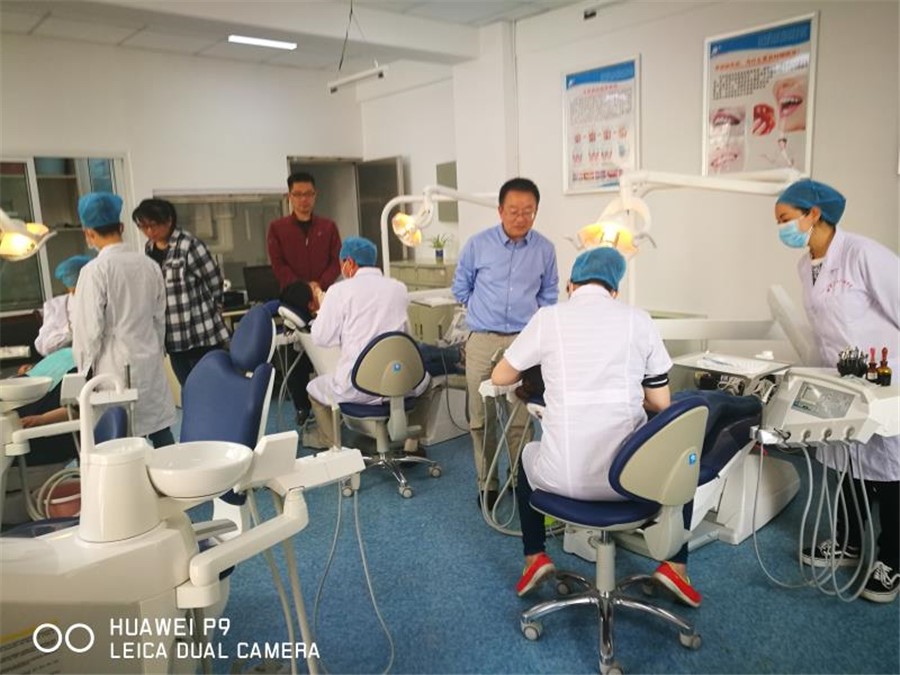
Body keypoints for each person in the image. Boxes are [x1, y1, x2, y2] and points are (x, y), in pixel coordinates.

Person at [491, 247, 701, 606]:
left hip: (563, 480)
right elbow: (661, 403)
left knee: (528, 453)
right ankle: (675, 567)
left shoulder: (548, 318)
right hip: (630, 483)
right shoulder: (639, 320)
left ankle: (535, 557)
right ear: (614, 290)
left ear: (571, 286)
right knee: (682, 461)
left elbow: (500, 376)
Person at [774, 178, 899, 603]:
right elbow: (822, 330)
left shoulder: (863, 254)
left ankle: (893, 560)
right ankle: (849, 544)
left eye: (785, 219)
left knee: (891, 470)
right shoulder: (805, 265)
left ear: (813, 214)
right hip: (837, 378)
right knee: (844, 461)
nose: (781, 229)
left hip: (886, 379)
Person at [452, 177, 559, 510]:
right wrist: (484, 312)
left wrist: (533, 329)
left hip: (524, 342)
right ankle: (487, 483)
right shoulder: (478, 245)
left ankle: (519, 478)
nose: (521, 217)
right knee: (480, 417)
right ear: (500, 210)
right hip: (482, 339)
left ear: (536, 211)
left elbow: (549, 295)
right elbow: (461, 288)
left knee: (520, 416)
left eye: (528, 211)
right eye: (514, 210)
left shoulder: (544, 249)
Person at [71, 192, 176, 448]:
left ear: (88, 233)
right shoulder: (149, 265)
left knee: (120, 441)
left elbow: (88, 331)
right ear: (121, 227)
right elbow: (159, 320)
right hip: (149, 361)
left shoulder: (95, 271)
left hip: (113, 367)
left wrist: (83, 374)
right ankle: (174, 473)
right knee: (160, 433)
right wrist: (155, 351)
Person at [306, 237, 428, 449]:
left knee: (313, 388)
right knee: (426, 380)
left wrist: (323, 314)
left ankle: (332, 444)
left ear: (349, 263)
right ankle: (412, 442)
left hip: (357, 387)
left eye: (342, 263)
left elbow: (320, 338)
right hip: (398, 382)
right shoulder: (398, 288)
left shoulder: (339, 291)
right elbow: (405, 336)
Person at [267, 172, 342, 422]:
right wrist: (306, 288)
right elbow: (279, 266)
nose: (303, 200)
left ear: (315, 195)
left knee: (329, 351)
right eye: (298, 194)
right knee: (296, 355)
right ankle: (302, 407)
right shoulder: (277, 229)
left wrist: (319, 286)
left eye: (308, 194)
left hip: (324, 297)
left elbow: (337, 261)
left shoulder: (328, 227)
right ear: (289, 196)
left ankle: (334, 403)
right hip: (294, 298)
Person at [131, 198, 229, 386]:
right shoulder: (149, 248)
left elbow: (214, 279)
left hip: (200, 332)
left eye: (153, 225)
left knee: (209, 386)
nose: (149, 231)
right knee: (187, 386)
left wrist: (216, 307)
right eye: (143, 227)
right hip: (173, 335)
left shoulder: (189, 245)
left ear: (168, 221)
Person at [33, 255, 93, 357]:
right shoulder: (55, 306)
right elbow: (43, 346)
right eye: (74, 288)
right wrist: (70, 330)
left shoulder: (102, 301)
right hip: (66, 360)